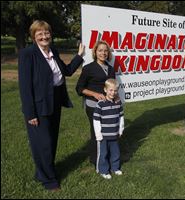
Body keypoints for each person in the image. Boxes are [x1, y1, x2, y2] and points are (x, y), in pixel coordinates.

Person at [18, 20, 85, 191]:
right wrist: (30, 113)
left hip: (55, 101)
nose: (44, 36)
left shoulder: (53, 51)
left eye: (46, 32)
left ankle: (43, 171)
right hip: (38, 106)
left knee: (52, 140)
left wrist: (79, 55)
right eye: (39, 33)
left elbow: (67, 71)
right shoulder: (28, 54)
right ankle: (48, 180)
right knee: (43, 143)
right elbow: (25, 87)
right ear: (33, 37)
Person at [75, 40, 116, 167]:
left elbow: (113, 86)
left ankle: (106, 156)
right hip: (93, 106)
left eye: (105, 50)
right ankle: (95, 159)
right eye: (100, 50)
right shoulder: (88, 68)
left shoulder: (110, 68)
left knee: (107, 132)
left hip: (108, 106)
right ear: (95, 52)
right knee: (96, 133)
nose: (103, 53)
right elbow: (79, 88)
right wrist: (94, 94)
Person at [93, 78, 124, 179]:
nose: (113, 92)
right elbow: (96, 120)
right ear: (105, 90)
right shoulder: (100, 104)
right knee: (103, 154)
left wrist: (120, 130)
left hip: (114, 134)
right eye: (111, 90)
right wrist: (98, 134)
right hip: (104, 136)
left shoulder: (118, 103)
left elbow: (121, 117)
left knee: (116, 153)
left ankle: (115, 168)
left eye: (115, 90)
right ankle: (103, 170)